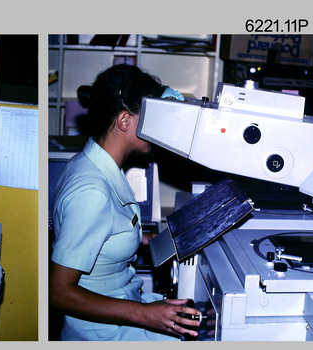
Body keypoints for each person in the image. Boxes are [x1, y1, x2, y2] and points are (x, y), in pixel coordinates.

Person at [49, 64, 200, 341]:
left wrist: (141, 239)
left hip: (122, 304)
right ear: (124, 121)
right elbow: (58, 291)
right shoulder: (91, 191)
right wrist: (147, 315)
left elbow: (101, 230)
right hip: (102, 331)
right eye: (151, 117)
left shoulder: (95, 163)